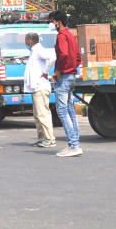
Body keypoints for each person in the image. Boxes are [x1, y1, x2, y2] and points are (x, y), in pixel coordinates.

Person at [49, 10, 83, 158]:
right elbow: (77, 57)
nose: (50, 24)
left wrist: (58, 71)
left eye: (51, 21)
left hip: (64, 77)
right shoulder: (70, 36)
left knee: (62, 111)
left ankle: (74, 145)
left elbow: (62, 55)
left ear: (58, 22)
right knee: (70, 111)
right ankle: (74, 144)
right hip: (71, 76)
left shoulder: (62, 36)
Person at [24, 32, 58, 148]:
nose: (25, 43)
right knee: (38, 115)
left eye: (25, 40)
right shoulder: (34, 52)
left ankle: (50, 139)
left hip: (40, 87)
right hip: (36, 88)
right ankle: (42, 139)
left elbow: (52, 58)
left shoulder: (38, 50)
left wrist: (45, 72)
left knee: (43, 114)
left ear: (30, 41)